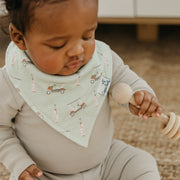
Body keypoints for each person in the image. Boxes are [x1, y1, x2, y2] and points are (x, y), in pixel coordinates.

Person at [0, 0, 162, 179]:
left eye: (87, 36)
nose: (77, 51)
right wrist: (20, 163)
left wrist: (141, 95)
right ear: (19, 38)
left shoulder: (101, 61)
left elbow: (125, 80)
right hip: (45, 173)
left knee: (142, 163)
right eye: (58, 45)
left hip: (105, 162)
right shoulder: (13, 80)